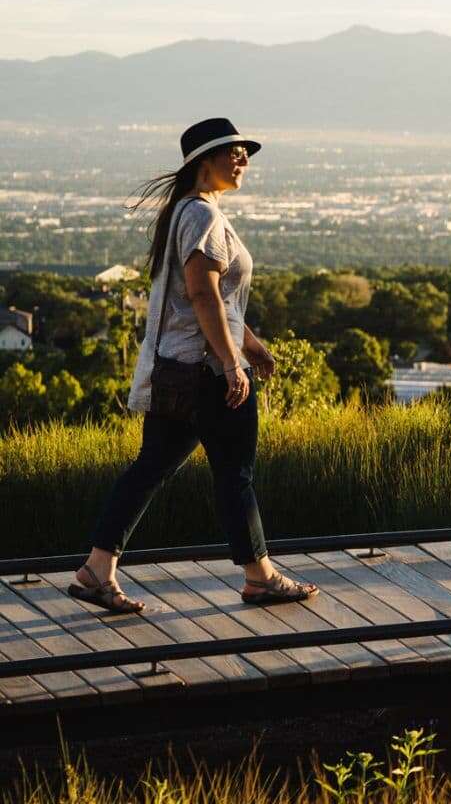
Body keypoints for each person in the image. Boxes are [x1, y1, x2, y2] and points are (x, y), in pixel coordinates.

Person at [68, 118, 319, 613]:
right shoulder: (202, 217)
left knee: (150, 469)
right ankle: (260, 576)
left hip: (175, 370)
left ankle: (98, 570)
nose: (244, 158)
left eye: (246, 151)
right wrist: (231, 365)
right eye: (234, 151)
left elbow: (214, 302)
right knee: (235, 474)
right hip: (206, 374)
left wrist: (252, 347)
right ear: (204, 162)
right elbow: (203, 294)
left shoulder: (183, 212)